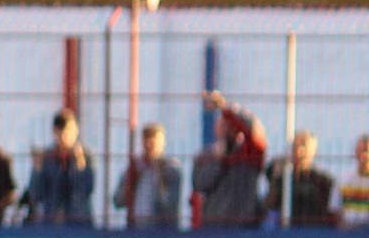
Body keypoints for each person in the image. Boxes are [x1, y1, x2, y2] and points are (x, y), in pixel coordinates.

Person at [191, 91, 266, 229]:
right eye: (223, 125)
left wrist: (225, 107)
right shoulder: (205, 156)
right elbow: (200, 185)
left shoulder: (250, 154)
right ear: (216, 128)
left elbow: (252, 128)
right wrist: (219, 161)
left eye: (231, 125)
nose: (227, 129)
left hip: (245, 226)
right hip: (213, 226)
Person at [23, 108, 94, 226]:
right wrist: (37, 169)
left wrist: (79, 167)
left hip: (79, 224)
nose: (64, 136)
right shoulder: (46, 158)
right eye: (60, 131)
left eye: (68, 131)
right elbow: (35, 194)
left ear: (76, 131)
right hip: (50, 224)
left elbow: (86, 190)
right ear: (54, 132)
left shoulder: (85, 157)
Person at [114, 122, 183, 229]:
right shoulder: (135, 168)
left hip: (162, 232)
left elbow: (169, 205)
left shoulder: (171, 169)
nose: (150, 145)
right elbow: (118, 201)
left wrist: (159, 173)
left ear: (162, 143)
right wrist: (133, 180)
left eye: (154, 140)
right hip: (136, 230)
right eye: (147, 140)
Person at [265, 129, 339, 228]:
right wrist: (275, 177)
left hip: (313, 233)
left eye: (304, 145)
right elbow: (270, 205)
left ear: (313, 151)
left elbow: (331, 213)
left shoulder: (323, 181)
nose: (299, 151)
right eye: (295, 146)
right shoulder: (282, 179)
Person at [340, 133, 369, 226]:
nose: (364, 155)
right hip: (348, 233)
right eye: (361, 150)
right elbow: (335, 209)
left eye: (367, 150)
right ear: (355, 152)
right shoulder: (343, 178)